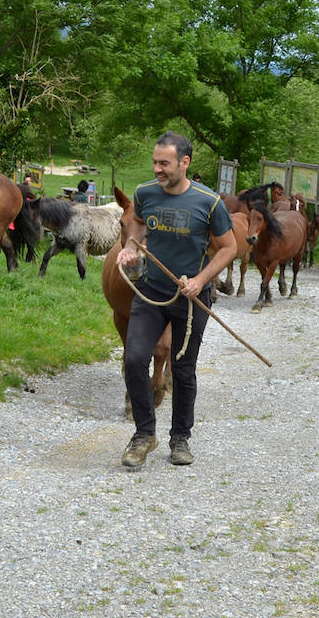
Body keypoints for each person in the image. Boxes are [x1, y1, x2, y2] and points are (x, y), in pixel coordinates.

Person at [113, 132, 235, 469]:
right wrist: (130, 246)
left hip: (190, 297)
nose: (157, 169)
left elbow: (229, 248)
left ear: (185, 162)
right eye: (155, 162)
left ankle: (180, 437)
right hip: (151, 290)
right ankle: (143, 434)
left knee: (183, 370)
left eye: (164, 163)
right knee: (135, 359)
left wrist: (200, 280)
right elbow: (136, 223)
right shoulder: (145, 193)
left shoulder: (208, 202)